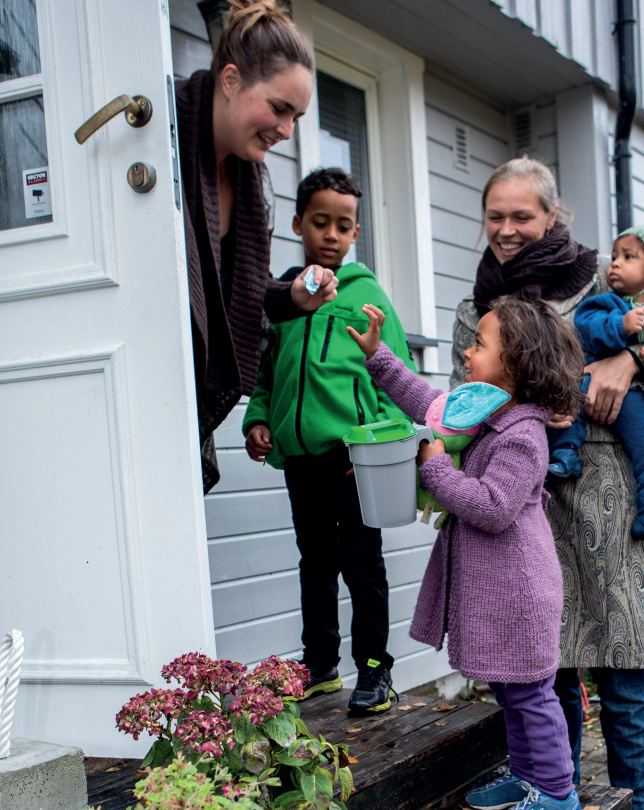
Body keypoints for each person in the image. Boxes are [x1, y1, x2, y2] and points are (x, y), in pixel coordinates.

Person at [449, 157, 644, 810]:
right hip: (526, 502)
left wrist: (627, 362)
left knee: (623, 669)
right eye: (496, 216)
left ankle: (638, 803)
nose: (507, 229)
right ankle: (551, 793)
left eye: (522, 215)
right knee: (546, 666)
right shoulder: (475, 306)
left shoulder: (609, 275)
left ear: (553, 215)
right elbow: (468, 397)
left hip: (614, 497)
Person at [349, 297, 587, 810]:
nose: (466, 351)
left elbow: (495, 507)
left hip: (520, 591)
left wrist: (436, 469)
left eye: (479, 343)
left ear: (517, 364)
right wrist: (379, 356)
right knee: (509, 692)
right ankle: (528, 778)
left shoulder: (522, 435)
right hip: (498, 591)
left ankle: (557, 792)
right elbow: (427, 402)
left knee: (530, 695)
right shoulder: (484, 414)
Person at [242, 168, 416, 714]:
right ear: (298, 223)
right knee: (314, 561)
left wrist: (381, 453)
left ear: (356, 232)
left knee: (363, 564)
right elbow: (267, 372)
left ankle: (374, 670)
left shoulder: (367, 296)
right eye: (321, 222)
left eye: (344, 226)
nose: (332, 235)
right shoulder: (287, 299)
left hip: (354, 459)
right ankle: (318, 665)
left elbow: (395, 377)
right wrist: (257, 418)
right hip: (301, 459)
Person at [174, 0, 339, 493]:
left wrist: (290, 298)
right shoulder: (163, 138)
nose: (286, 130)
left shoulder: (250, 178)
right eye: (279, 107)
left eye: (297, 116)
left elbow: (231, 289)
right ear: (230, 80)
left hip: (189, 385)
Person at [548, 225, 644, 545]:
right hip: (590, 378)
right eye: (615, 255)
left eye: (627, 257)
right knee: (566, 396)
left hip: (641, 395)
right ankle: (565, 453)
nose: (614, 263)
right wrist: (620, 325)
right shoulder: (602, 303)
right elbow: (586, 329)